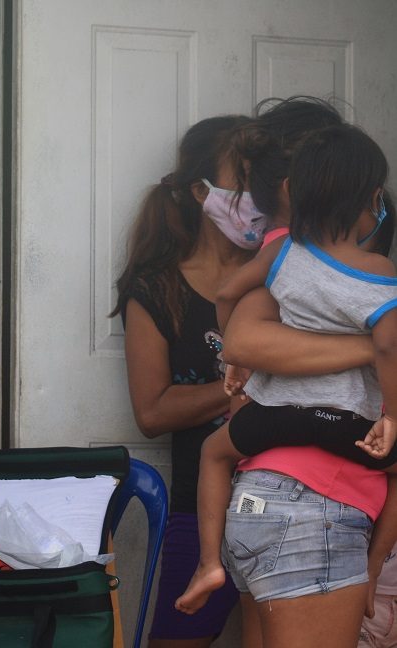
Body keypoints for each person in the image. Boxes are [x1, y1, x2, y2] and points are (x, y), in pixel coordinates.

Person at [176, 124, 397, 617]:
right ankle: (377, 563)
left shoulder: (281, 252)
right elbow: (387, 345)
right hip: (340, 433)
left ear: (291, 193)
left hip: (267, 431)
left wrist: (235, 359)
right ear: (372, 200)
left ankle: (209, 562)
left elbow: (229, 294)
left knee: (214, 453)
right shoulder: (379, 271)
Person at [112, 115, 255, 647]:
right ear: (201, 192)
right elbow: (151, 413)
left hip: (290, 503)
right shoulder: (157, 289)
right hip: (201, 510)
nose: (258, 196)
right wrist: (242, 383)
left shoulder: (283, 275)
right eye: (244, 181)